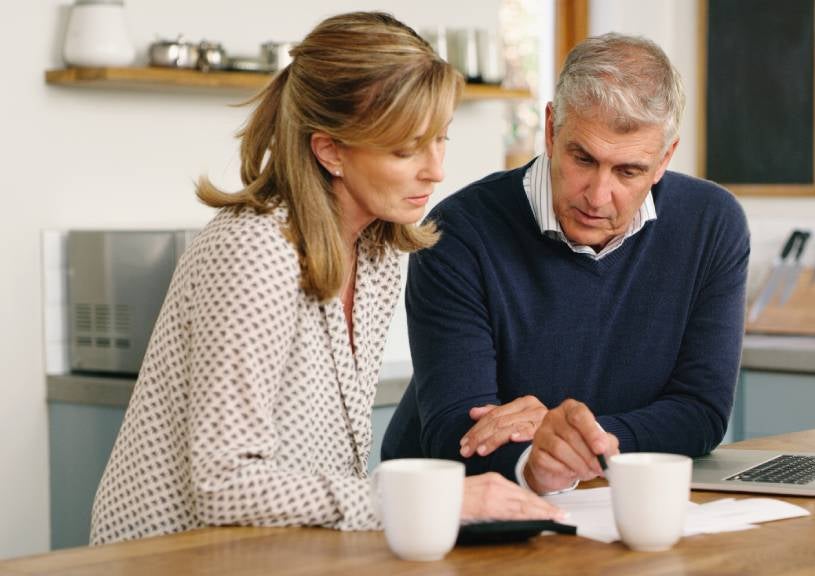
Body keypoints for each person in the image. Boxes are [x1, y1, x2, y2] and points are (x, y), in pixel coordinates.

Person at [90, 12, 561, 546]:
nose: (435, 170)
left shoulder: (380, 249)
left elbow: (333, 463)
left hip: (281, 552)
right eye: (406, 149)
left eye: (440, 139)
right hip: (168, 557)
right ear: (330, 150)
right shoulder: (255, 249)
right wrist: (427, 500)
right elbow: (222, 486)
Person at [382, 33, 749, 495]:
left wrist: (572, 440)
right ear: (552, 127)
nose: (598, 196)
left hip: (598, 497)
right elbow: (455, 430)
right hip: (447, 508)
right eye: (583, 158)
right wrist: (542, 457)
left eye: (628, 171)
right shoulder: (457, 232)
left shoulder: (711, 224)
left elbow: (700, 412)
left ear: (664, 159)